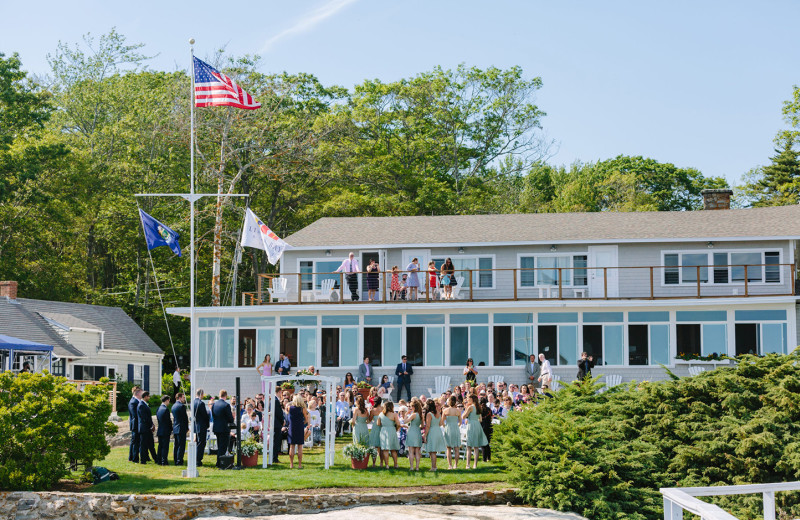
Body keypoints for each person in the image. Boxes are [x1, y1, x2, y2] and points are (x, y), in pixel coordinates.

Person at [463, 393, 489, 469]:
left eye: (468, 398)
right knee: (476, 447)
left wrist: (465, 409)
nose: (467, 399)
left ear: (471, 399)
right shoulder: (478, 407)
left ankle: (468, 465)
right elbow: (480, 419)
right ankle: (475, 465)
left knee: (469, 446)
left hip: (471, 425)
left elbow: (463, 416)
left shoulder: (470, 407)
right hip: (477, 425)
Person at [212, 389, 235, 466]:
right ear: (226, 396)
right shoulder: (226, 405)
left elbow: (214, 416)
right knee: (223, 447)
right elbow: (230, 418)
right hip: (224, 428)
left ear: (219, 395)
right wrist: (232, 419)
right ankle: (220, 463)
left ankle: (218, 461)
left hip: (216, 428)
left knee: (219, 445)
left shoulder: (214, 405)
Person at [287, 394, 310, 469]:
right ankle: (299, 465)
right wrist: (302, 423)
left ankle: (291, 464)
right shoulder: (302, 409)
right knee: (300, 446)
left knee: (292, 446)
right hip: (299, 428)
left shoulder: (289, 408)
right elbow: (306, 419)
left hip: (292, 428)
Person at [422, 400, 445, 471]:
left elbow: (428, 425)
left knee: (432, 451)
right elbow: (441, 423)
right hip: (437, 430)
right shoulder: (438, 413)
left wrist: (425, 435)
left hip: (432, 431)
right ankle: (434, 466)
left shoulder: (429, 414)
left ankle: (434, 467)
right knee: (433, 451)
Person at [377, 401, 401, 469]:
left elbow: (378, 424)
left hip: (384, 431)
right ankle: (395, 464)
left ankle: (387, 465)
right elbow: (398, 424)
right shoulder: (394, 414)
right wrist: (396, 428)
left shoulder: (381, 414)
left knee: (385, 449)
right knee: (393, 449)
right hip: (392, 431)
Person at [138, 391, 157, 464]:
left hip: (147, 428)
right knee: (143, 445)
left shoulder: (144, 404)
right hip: (144, 428)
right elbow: (144, 418)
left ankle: (156, 458)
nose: (149, 397)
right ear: (145, 396)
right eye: (148, 396)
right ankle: (143, 460)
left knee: (151, 444)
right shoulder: (141, 405)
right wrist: (151, 426)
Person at [442, 396, 461, 469]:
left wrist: (445, 426)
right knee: (456, 448)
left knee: (448, 448)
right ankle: (455, 465)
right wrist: (456, 426)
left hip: (448, 428)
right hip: (455, 428)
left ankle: (450, 465)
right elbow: (460, 422)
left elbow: (442, 421)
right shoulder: (458, 411)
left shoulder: (445, 410)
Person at [405, 399, 423, 471]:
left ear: (414, 407)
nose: (410, 408)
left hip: (412, 431)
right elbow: (422, 425)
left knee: (411, 451)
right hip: (417, 431)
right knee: (417, 451)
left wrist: (406, 414)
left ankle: (412, 467)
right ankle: (417, 467)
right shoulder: (421, 415)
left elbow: (405, 421)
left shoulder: (413, 414)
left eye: (411, 406)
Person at [193, 389, 209, 466]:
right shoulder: (201, 403)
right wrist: (207, 424)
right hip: (201, 426)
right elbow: (205, 416)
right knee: (201, 443)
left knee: (197, 443)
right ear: (201, 394)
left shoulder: (193, 402)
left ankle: (195, 458)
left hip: (195, 426)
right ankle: (198, 460)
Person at [172, 392, 188, 465]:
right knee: (181, 446)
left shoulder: (173, 406)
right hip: (181, 428)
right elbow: (185, 418)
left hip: (175, 427)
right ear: (180, 397)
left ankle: (175, 459)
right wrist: (187, 427)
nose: (184, 399)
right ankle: (179, 460)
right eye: (183, 397)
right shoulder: (181, 406)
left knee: (176, 445)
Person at [156, 395, 172, 466]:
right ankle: (164, 461)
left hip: (160, 429)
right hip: (165, 430)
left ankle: (159, 460)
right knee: (165, 447)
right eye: (169, 400)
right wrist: (171, 429)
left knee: (160, 446)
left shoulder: (158, 408)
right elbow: (168, 421)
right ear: (166, 400)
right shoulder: (166, 409)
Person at [368, 396, 383, 467]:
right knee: (381, 446)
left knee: (374, 446)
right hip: (382, 428)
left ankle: (374, 463)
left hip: (375, 428)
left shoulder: (373, 410)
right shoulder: (384, 409)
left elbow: (370, 420)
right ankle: (381, 463)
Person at [128, 386, 141, 463]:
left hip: (137, 425)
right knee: (135, 442)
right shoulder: (133, 402)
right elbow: (134, 415)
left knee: (135, 442)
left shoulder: (137, 401)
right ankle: (134, 458)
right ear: (138, 393)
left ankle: (132, 457)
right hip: (135, 425)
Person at [479, 396, 493, 462]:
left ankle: (484, 458)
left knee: (483, 444)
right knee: (487, 443)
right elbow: (491, 418)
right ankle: (489, 457)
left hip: (482, 427)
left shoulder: (479, 410)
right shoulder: (489, 409)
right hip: (489, 427)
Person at [271, 394, 285, 463]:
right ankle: (274, 458)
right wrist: (282, 421)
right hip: (276, 424)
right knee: (276, 441)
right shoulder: (275, 400)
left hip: (275, 423)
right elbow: (279, 413)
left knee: (275, 441)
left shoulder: (273, 400)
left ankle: (274, 457)